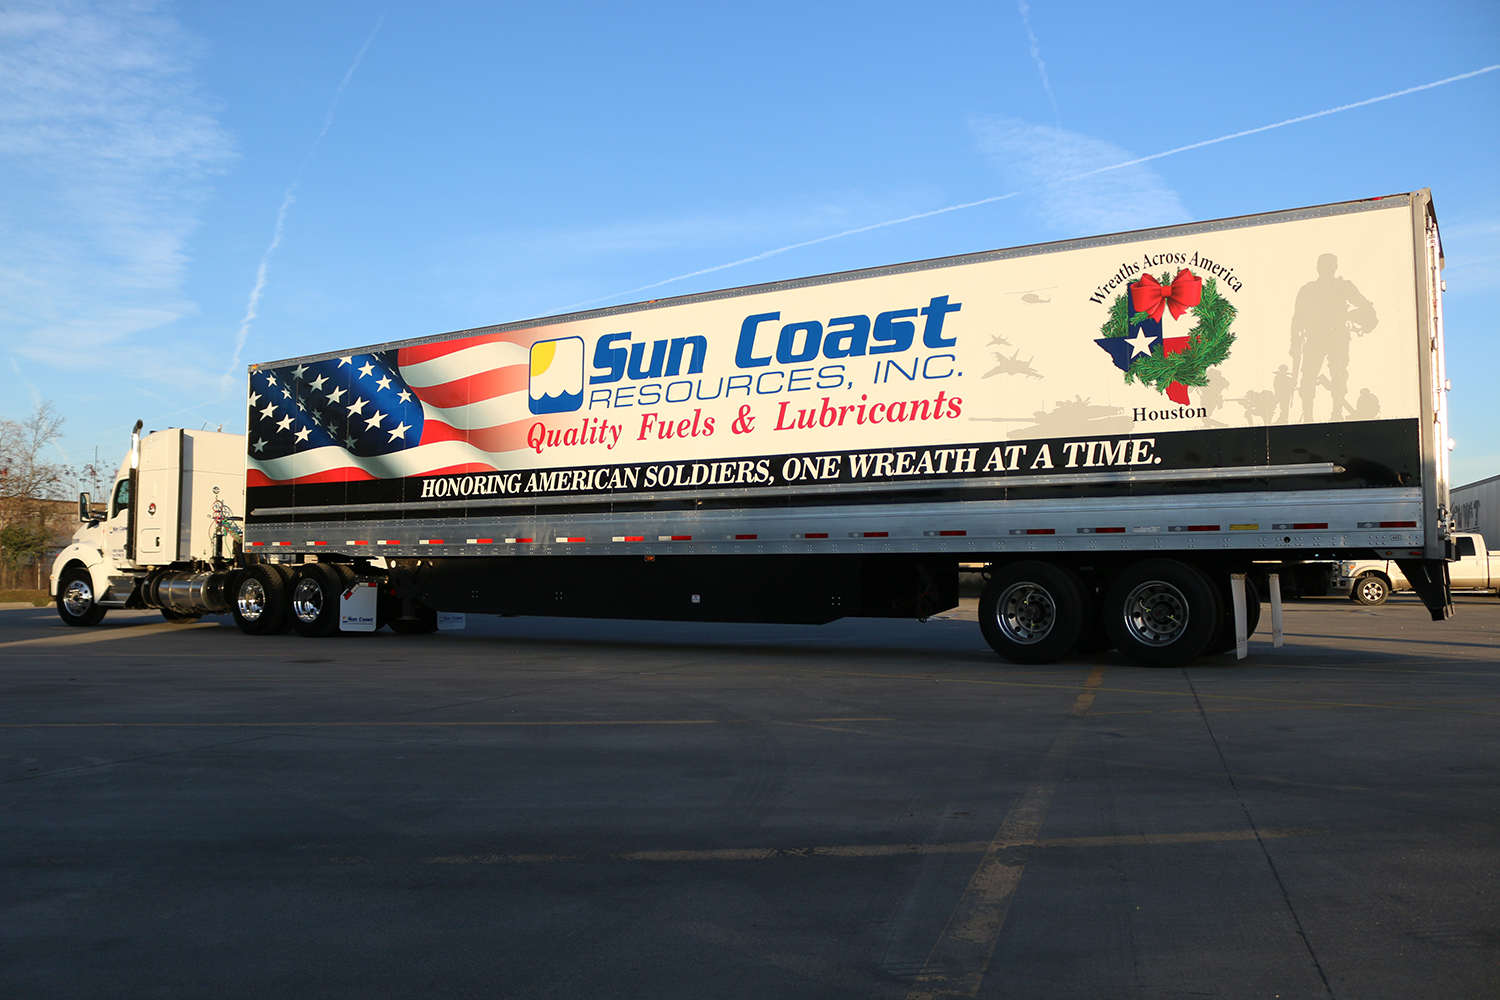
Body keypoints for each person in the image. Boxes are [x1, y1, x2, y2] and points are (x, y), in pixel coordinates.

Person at [1290, 254, 1377, 421]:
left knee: (1337, 377)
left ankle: (1335, 413)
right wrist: (1294, 344)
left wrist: (1361, 321)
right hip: (1317, 339)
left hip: (1335, 338)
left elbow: (1366, 306)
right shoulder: (1308, 289)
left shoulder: (1343, 287)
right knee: (1310, 378)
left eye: (1328, 266)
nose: (1326, 269)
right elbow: (1297, 318)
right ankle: (1310, 416)